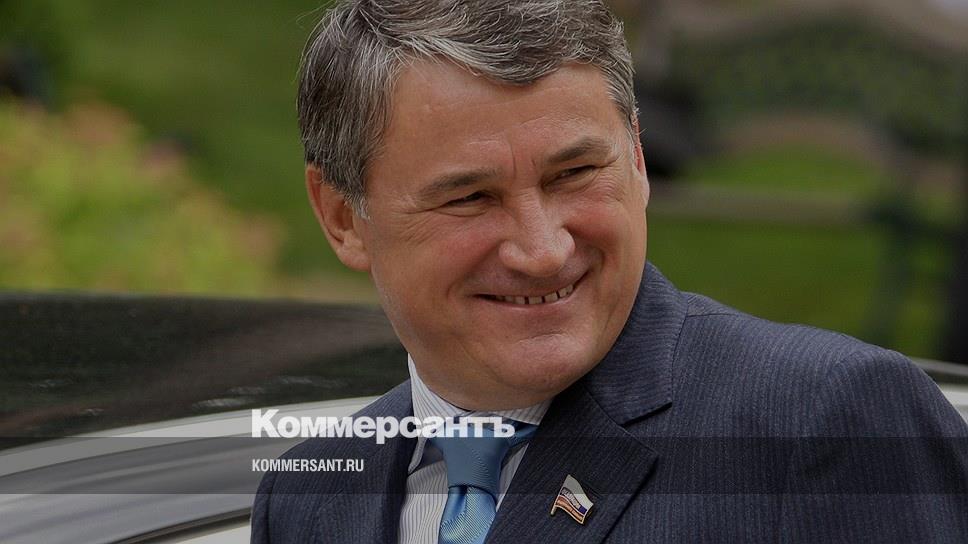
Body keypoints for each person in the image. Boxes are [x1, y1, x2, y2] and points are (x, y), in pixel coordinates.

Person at [251, 1, 968, 542]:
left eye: (575, 174)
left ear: (639, 159)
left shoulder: (824, 423)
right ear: (343, 217)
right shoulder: (305, 500)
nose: (542, 250)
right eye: (470, 198)